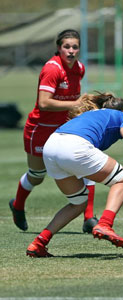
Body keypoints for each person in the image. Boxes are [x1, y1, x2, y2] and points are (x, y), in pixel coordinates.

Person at [26, 93, 123, 257]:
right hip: (74, 147)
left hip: (51, 146)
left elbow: (83, 158)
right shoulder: (121, 116)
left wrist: (113, 170)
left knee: (78, 203)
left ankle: (39, 243)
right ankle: (105, 224)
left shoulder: (91, 115)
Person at [9, 29, 98, 233]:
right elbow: (44, 103)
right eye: (66, 46)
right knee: (37, 175)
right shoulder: (52, 69)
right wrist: (75, 103)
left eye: (75, 47)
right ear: (59, 48)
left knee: (86, 166)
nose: (71, 50)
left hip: (65, 129)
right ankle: (18, 205)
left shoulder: (79, 68)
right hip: (40, 129)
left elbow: (74, 98)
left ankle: (89, 218)